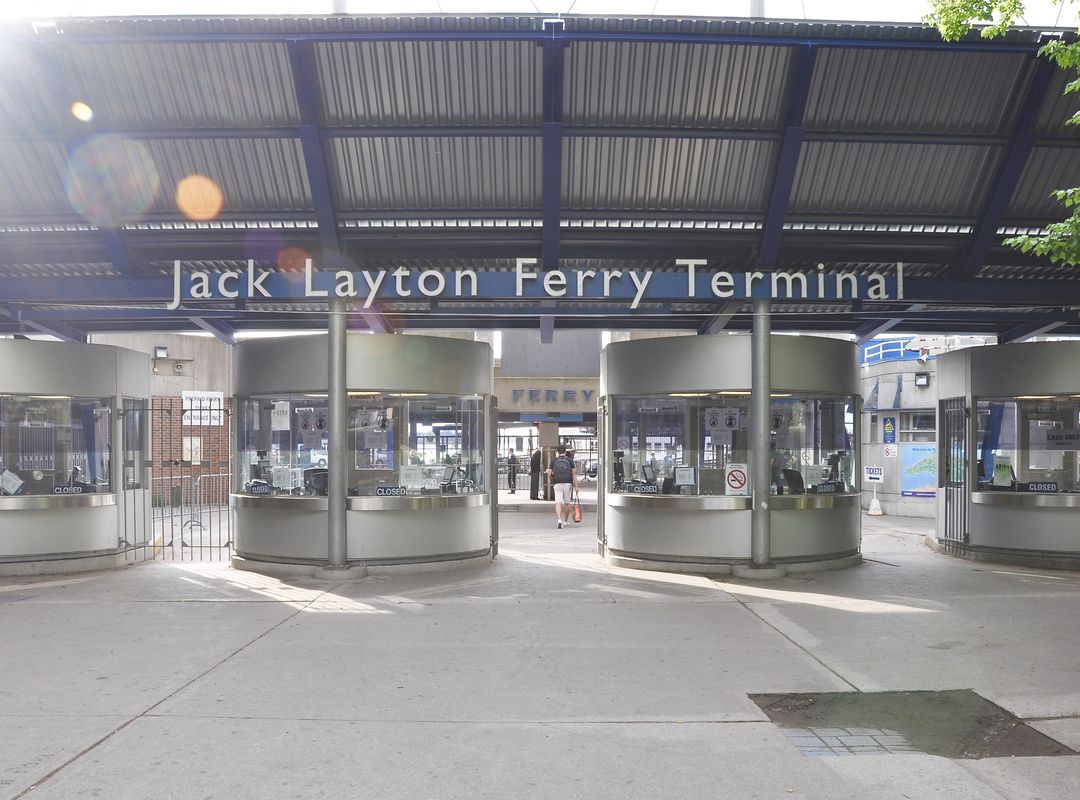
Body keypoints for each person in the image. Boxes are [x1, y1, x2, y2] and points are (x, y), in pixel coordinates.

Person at [547, 445, 577, 529]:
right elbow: (574, 474)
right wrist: (576, 486)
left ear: (557, 452)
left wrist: (552, 475)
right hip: (567, 484)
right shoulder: (570, 461)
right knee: (567, 503)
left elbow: (549, 474)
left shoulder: (554, 461)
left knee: (558, 502)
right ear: (565, 451)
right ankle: (565, 521)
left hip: (557, 484)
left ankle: (559, 519)